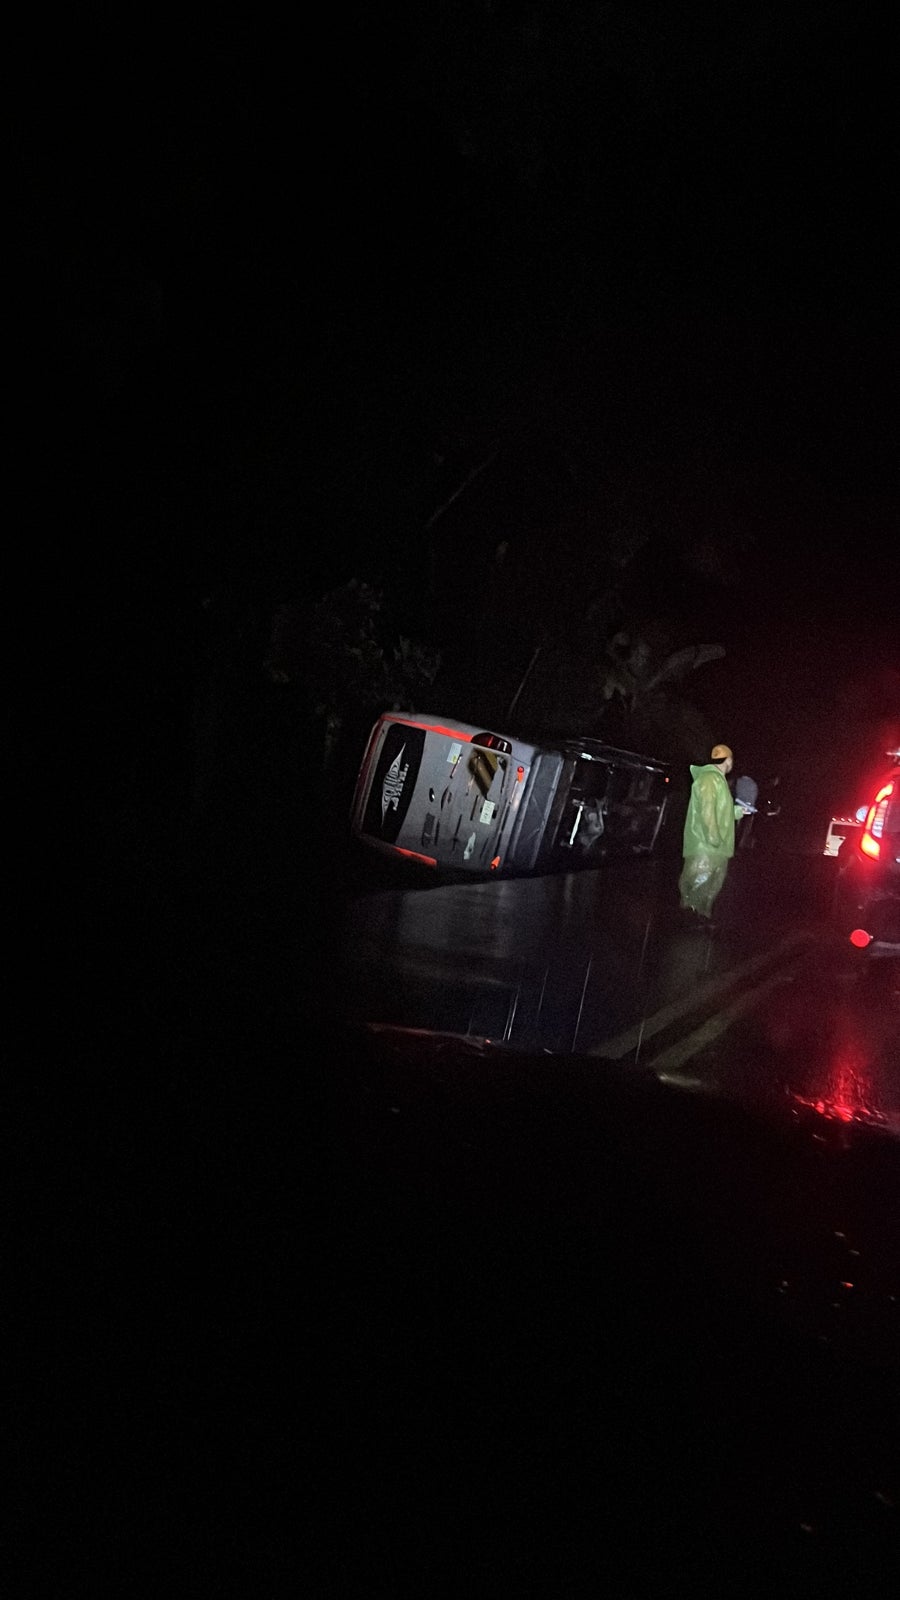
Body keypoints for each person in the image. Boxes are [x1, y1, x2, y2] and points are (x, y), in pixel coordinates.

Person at [678, 744, 751, 922]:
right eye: (732, 759)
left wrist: (738, 812)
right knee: (699, 882)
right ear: (728, 759)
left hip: (717, 846)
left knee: (711, 885)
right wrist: (713, 838)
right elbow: (707, 810)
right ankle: (691, 920)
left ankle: (700, 917)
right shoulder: (709, 779)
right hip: (706, 846)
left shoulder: (717, 780)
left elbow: (721, 810)